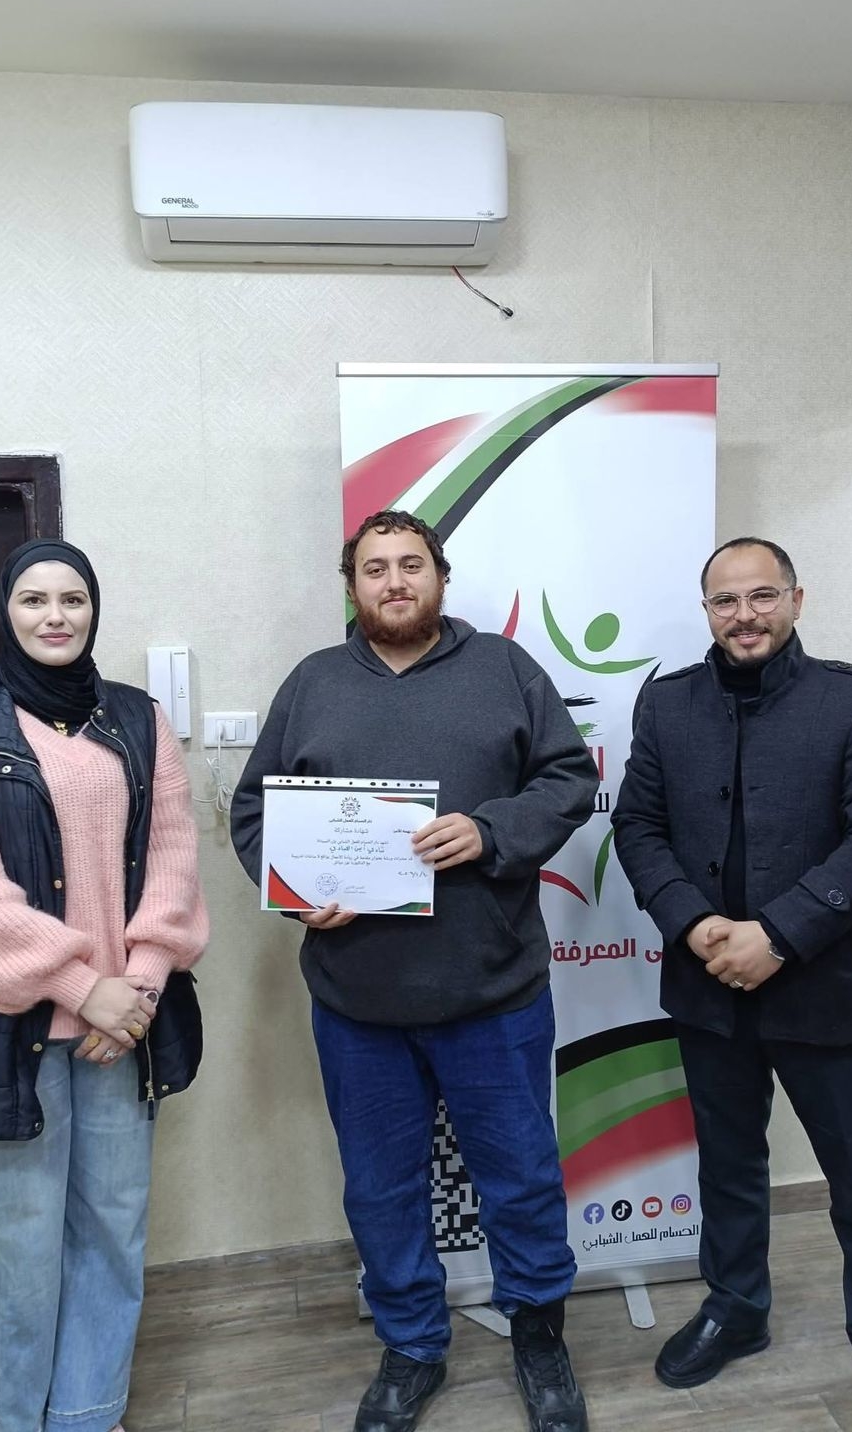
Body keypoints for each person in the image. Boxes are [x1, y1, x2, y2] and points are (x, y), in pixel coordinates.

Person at [230, 510, 599, 1432]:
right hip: (358, 1001)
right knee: (381, 1188)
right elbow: (255, 814)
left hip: (493, 992)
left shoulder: (506, 670)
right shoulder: (312, 684)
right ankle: (411, 1347)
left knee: (520, 1176)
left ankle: (539, 1336)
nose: (394, 582)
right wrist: (296, 894)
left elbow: (568, 779)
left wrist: (490, 830)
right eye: (374, 568)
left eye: (410, 565)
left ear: (440, 575)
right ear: (351, 585)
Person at [611, 537, 852, 1432]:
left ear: (796, 598)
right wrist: (693, 922)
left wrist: (780, 935)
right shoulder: (668, 703)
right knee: (728, 1166)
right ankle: (737, 1308)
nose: (744, 615)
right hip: (708, 980)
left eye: (762, 596)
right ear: (706, 610)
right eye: (726, 601)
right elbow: (637, 827)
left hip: (825, 988)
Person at [0, 540, 209, 1432]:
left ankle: (88, 1414)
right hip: (8, 1031)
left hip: (122, 1031)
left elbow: (173, 860)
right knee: (17, 1252)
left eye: (72, 598)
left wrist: (136, 989)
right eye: (34, 599)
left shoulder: (139, 721)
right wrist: (83, 987)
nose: (55, 616)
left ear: (93, 610)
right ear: (8, 611)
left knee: (111, 1231)